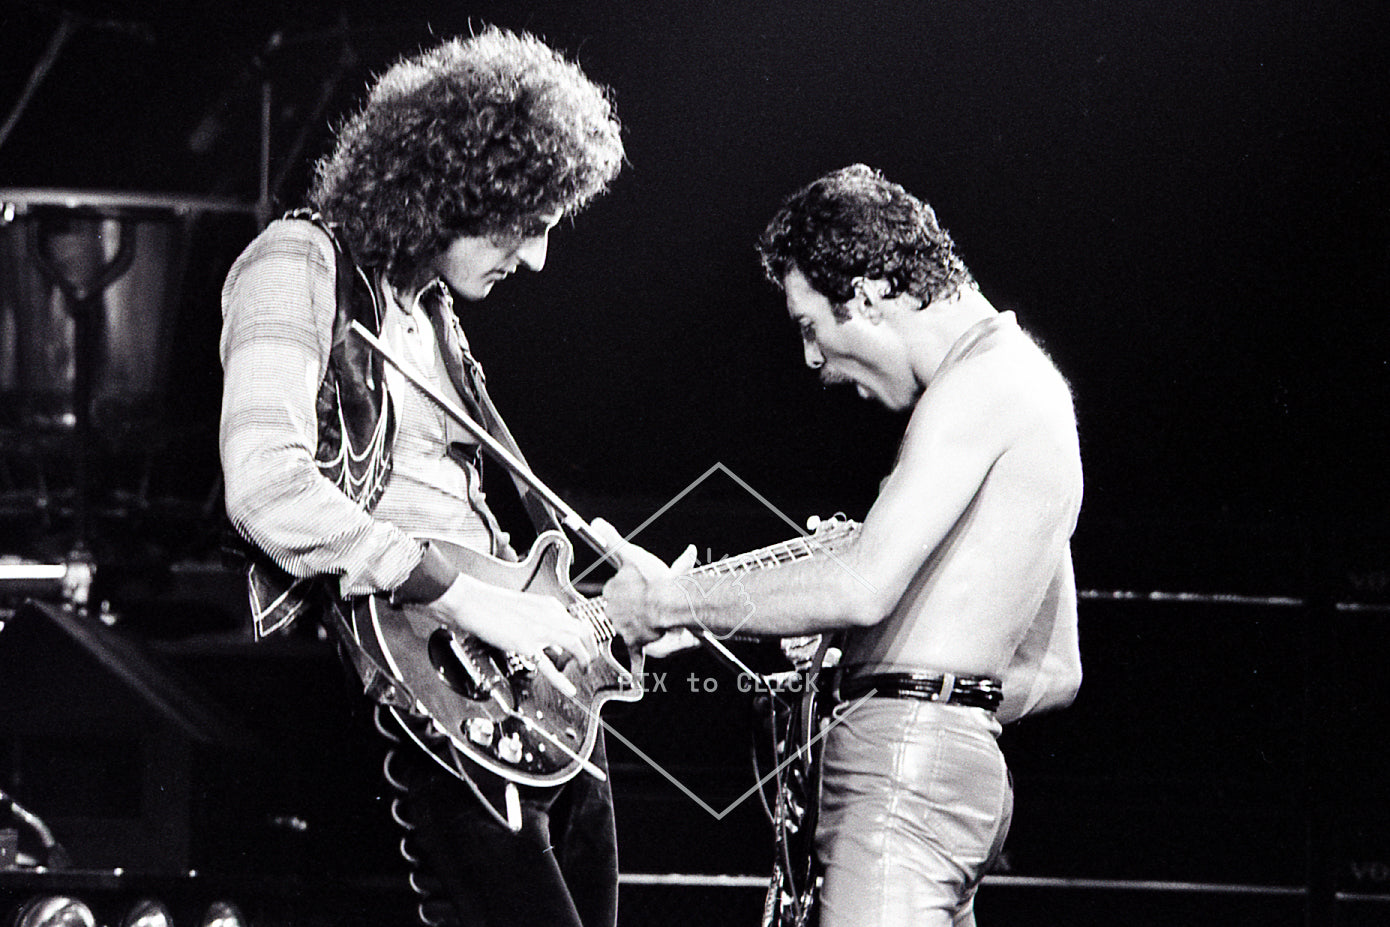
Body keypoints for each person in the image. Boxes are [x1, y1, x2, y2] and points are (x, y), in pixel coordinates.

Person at [594, 164, 1083, 926]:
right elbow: (1053, 670)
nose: (812, 361)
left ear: (869, 291)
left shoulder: (976, 389)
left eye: (808, 325)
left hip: (902, 782)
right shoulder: (1029, 386)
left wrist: (669, 601)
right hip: (956, 774)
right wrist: (896, 667)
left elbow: (861, 583)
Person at [218, 28, 624, 927]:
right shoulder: (299, 261)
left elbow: (477, 518)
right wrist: (464, 598)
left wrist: (615, 602)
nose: (539, 258)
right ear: (456, 186)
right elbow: (265, 483)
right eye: (530, 223)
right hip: (398, 678)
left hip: (515, 687)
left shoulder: (435, 314)